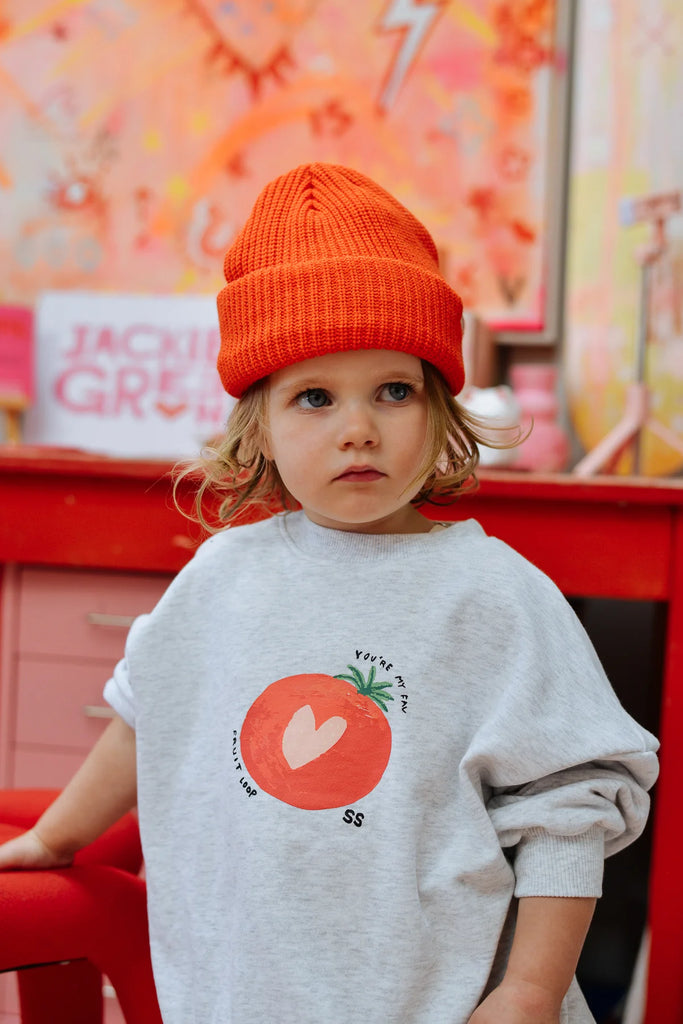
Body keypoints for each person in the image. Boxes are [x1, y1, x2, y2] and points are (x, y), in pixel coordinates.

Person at [0, 163, 658, 1024]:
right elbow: (146, 718)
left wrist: (529, 990)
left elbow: (569, 814)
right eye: (314, 396)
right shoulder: (219, 579)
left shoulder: (496, 596)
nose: (358, 428)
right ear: (260, 428)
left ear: (440, 410)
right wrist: (56, 837)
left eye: (394, 391)